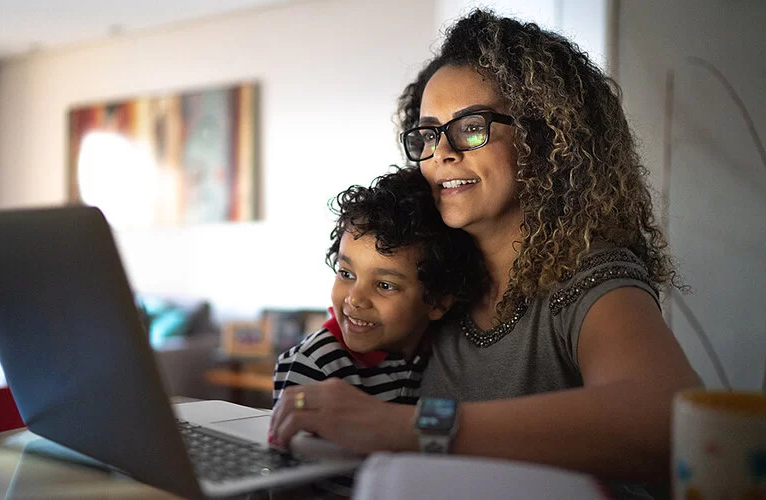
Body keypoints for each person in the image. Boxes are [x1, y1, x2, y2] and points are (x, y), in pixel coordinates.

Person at [270, 9, 701, 494]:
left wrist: (406, 428)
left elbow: (669, 418)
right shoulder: (438, 277)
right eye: (428, 133)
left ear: (544, 138)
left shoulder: (590, 278)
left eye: (471, 127)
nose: (442, 154)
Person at [272, 167, 486, 407]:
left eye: (384, 285)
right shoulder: (316, 364)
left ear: (438, 301)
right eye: (346, 273)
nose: (355, 299)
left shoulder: (441, 351)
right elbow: (290, 441)